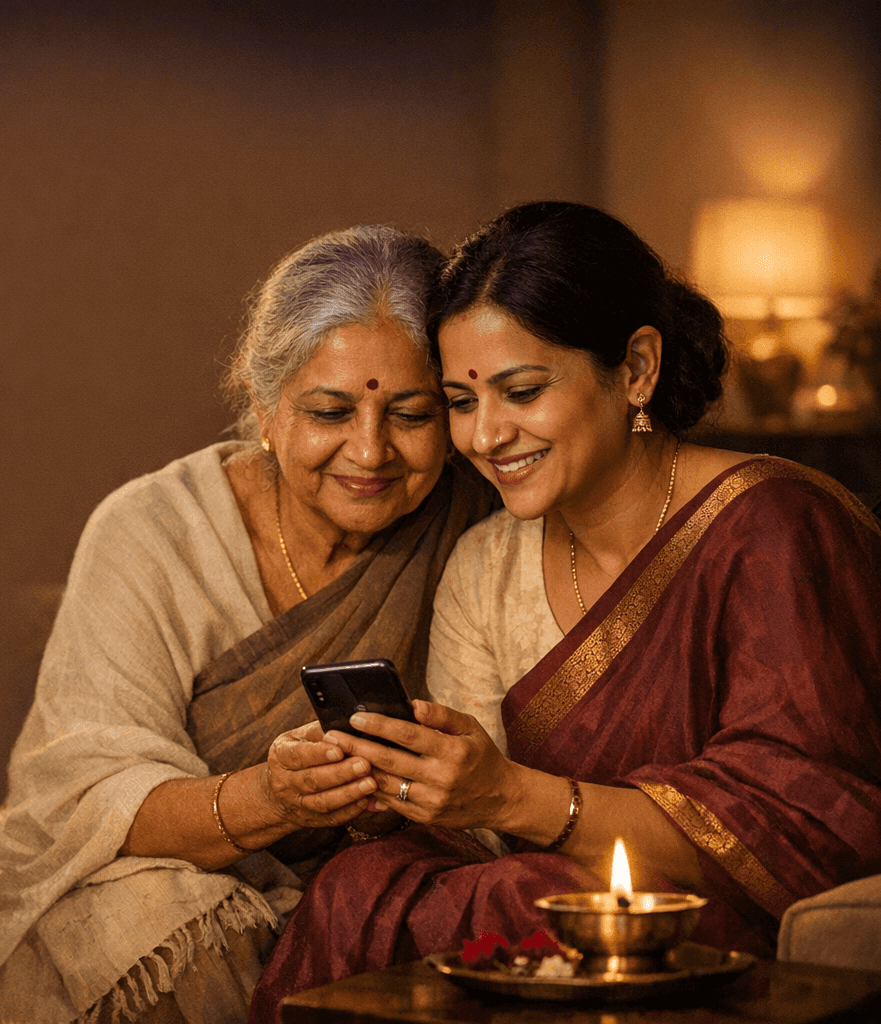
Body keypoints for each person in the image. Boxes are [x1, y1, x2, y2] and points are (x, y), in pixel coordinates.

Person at [248, 201, 881, 1024]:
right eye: (460, 402)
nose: (486, 436)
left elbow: (805, 830)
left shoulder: (772, 527)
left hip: (711, 920)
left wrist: (514, 798)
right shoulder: (486, 565)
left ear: (638, 369)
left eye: (521, 391)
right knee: (364, 883)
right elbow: (470, 835)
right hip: (540, 900)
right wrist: (390, 783)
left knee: (526, 896)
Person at [0, 225, 497, 1024]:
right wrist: (272, 798)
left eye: (412, 415)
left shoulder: (479, 524)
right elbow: (85, 800)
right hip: (160, 879)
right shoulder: (152, 529)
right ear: (264, 403)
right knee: (162, 920)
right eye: (329, 410)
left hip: (381, 883)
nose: (370, 450)